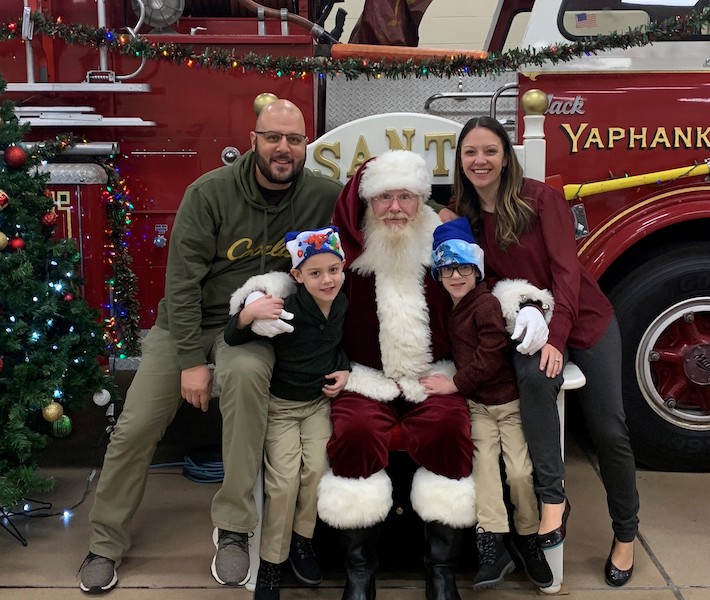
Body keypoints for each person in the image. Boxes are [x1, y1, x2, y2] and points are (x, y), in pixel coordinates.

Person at [78, 99, 343, 594]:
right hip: (186, 326)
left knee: (245, 381)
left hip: (250, 331)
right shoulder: (210, 193)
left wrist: (447, 215)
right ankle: (104, 542)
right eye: (273, 138)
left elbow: (386, 207)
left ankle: (235, 528)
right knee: (135, 426)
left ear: (306, 144)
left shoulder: (322, 195)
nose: (283, 149)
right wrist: (190, 363)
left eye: (294, 139)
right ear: (253, 141)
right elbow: (179, 285)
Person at [450, 116, 640, 587]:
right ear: (459, 160)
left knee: (608, 428)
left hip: (583, 319)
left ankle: (626, 533)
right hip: (526, 320)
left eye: (490, 151)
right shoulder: (462, 211)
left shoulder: (540, 198)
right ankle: (553, 500)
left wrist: (556, 335)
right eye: (470, 152)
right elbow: (480, 279)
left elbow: (567, 274)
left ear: (506, 156)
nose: (480, 161)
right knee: (534, 381)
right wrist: (525, 307)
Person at [316, 150, 502, 600]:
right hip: (364, 377)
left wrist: (529, 306)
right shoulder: (346, 257)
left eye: (406, 197)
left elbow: (489, 291)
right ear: (367, 203)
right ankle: (360, 572)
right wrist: (257, 300)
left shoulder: (445, 254)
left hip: (432, 377)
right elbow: (301, 282)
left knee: (448, 429)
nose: (395, 207)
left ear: (422, 202)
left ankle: (440, 569)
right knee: (355, 433)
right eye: (384, 198)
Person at [420, 217, 555, 591]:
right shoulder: (452, 306)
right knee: (483, 467)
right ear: (438, 273)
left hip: (507, 404)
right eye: (447, 269)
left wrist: (455, 384)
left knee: (519, 472)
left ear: (477, 269)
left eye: (465, 267)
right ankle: (492, 542)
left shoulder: (485, 304)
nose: (457, 276)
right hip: (478, 406)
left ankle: (528, 538)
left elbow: (493, 351)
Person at [224, 226, 350, 600]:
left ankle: (302, 541)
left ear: (343, 267)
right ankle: (271, 564)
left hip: (316, 405)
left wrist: (344, 368)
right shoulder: (286, 308)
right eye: (315, 273)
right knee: (283, 483)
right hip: (281, 408)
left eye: (333, 270)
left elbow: (339, 345)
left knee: (317, 470)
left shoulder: (342, 303)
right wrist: (248, 314)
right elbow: (233, 337)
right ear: (297, 276)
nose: (327, 280)